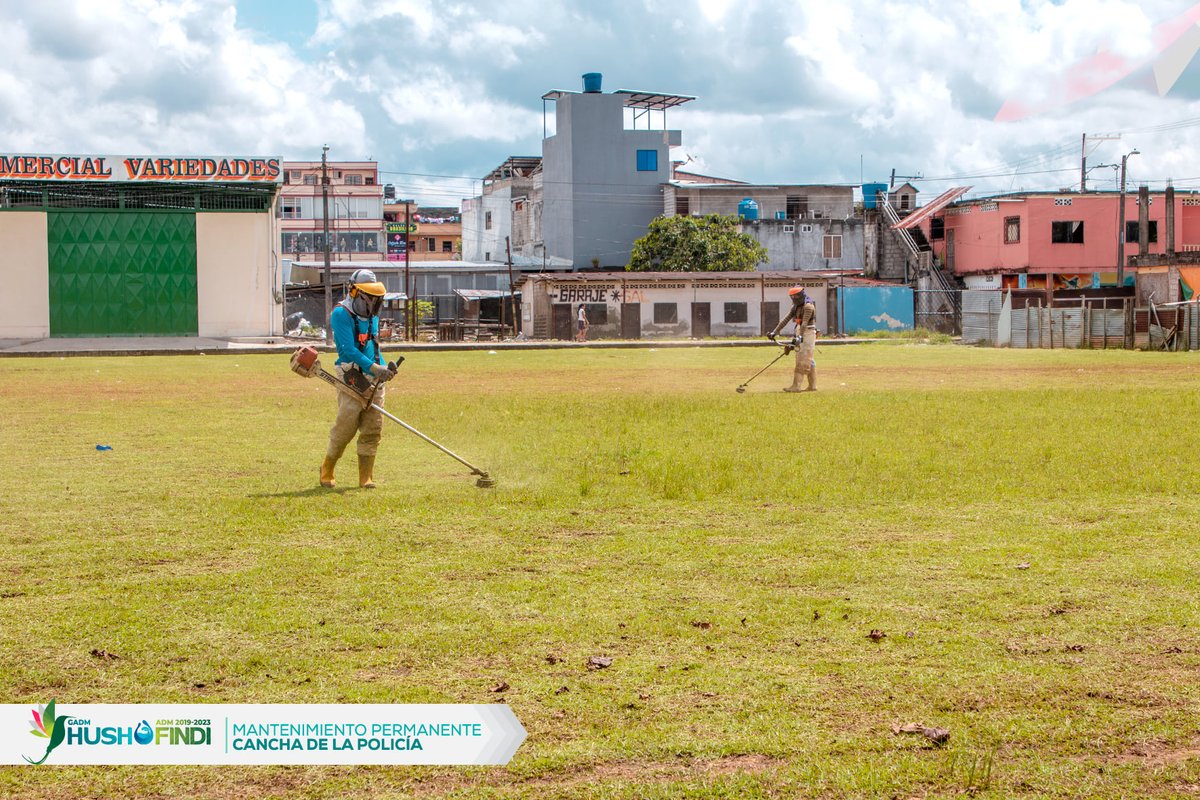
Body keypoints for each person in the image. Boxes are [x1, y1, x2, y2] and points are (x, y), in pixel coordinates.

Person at [320, 269, 396, 489]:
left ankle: (366, 477)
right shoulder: (341, 314)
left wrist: (383, 368)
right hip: (350, 374)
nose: (373, 301)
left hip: (374, 376)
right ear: (355, 292)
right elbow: (348, 349)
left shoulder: (373, 317)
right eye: (369, 296)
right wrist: (373, 366)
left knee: (373, 426)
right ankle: (327, 469)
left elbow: (373, 345)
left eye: (376, 297)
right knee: (346, 426)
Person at [768, 286, 817, 392]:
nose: (794, 298)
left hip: (808, 332)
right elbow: (785, 319)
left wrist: (800, 337)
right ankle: (812, 386)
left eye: (796, 296)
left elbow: (804, 323)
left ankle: (796, 386)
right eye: (792, 296)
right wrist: (774, 332)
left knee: (802, 359)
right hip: (801, 330)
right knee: (809, 359)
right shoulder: (795, 306)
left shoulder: (808, 306)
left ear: (801, 295)